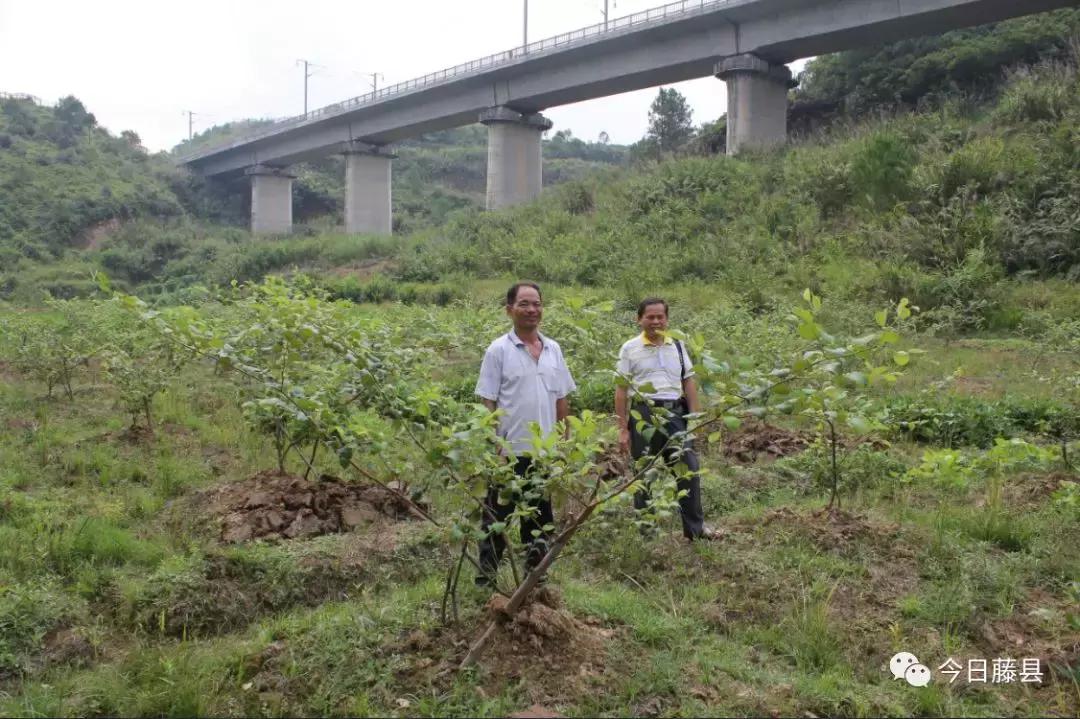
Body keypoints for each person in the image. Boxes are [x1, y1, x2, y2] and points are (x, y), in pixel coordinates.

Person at [474, 282, 576, 585]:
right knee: (496, 517)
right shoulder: (498, 350)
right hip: (509, 450)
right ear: (510, 310)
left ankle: (536, 578)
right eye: (524, 304)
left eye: (536, 304)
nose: (532, 309)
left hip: (544, 451)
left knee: (541, 516)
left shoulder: (553, 349)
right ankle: (486, 579)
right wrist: (496, 446)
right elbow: (487, 402)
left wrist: (564, 440)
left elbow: (561, 398)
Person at [614, 297, 716, 541]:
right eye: (650, 316)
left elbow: (688, 381)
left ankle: (695, 529)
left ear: (667, 319)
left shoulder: (678, 346)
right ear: (639, 319)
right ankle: (646, 532)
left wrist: (695, 418)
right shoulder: (630, 348)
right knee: (643, 472)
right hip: (643, 415)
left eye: (660, 316)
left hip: (675, 414)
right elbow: (620, 389)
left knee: (687, 470)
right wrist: (623, 428)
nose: (656, 321)